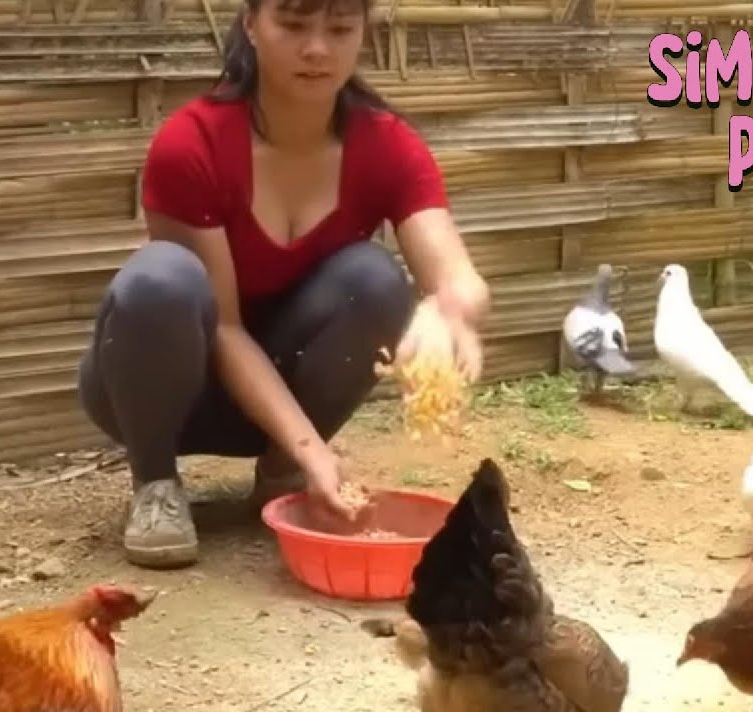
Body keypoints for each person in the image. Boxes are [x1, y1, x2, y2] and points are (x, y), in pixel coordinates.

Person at [76, 0, 490, 569]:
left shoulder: (387, 145)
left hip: (287, 393)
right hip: (166, 391)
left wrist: (450, 309)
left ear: (362, 33)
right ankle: (155, 486)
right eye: (293, 24)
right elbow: (222, 326)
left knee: (374, 279)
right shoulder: (191, 144)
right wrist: (315, 450)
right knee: (160, 280)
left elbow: (457, 274)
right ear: (251, 24)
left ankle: (279, 474)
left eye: (339, 28)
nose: (317, 48)